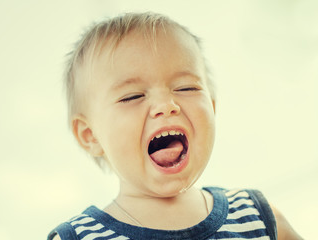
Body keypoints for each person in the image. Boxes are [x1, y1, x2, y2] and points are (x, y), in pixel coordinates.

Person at [48, 12, 302, 240]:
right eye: (133, 96)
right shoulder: (79, 237)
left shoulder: (256, 215)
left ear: (212, 109)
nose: (166, 105)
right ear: (90, 135)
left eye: (186, 88)